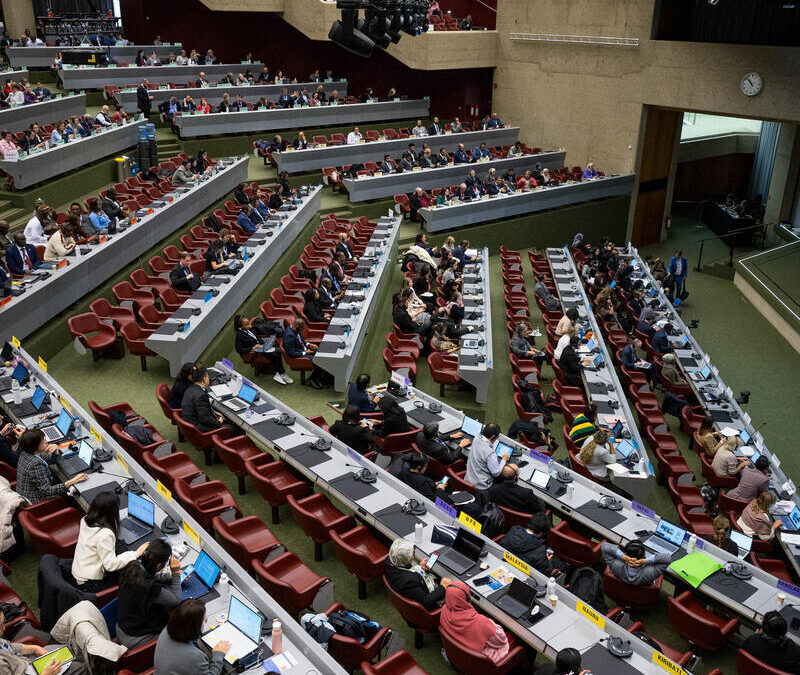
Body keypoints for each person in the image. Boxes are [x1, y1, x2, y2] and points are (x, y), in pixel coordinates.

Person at [72, 491, 146, 591]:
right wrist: (136, 553)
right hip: (90, 583)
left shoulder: (85, 520)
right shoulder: (105, 534)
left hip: (79, 571)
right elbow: (110, 565)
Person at [117, 539, 182, 647]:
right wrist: (175, 573)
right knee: (180, 627)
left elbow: (148, 575)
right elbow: (175, 601)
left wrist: (166, 576)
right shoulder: (150, 587)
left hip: (123, 626)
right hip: (136, 638)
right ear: (159, 566)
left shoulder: (132, 565)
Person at [440, 580, 511, 663]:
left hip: (458, 654)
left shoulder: (444, 609)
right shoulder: (481, 622)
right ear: (467, 599)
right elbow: (501, 641)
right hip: (481, 661)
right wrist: (492, 623)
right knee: (512, 638)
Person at [154, 598, 230, 675]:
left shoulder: (168, 629)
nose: (207, 619)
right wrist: (218, 654)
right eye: (204, 620)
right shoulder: (195, 657)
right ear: (194, 627)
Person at [16, 428, 88, 505]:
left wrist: (55, 449)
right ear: (35, 446)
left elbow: (49, 459)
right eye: (42, 442)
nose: (46, 442)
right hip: (36, 503)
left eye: (44, 439)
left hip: (27, 494)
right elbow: (46, 491)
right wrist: (73, 481)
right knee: (72, 498)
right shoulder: (35, 464)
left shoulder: (26, 452)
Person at [384, 538, 448, 609]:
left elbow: (406, 569)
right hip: (431, 604)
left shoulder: (390, 560)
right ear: (405, 559)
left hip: (415, 585)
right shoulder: (408, 581)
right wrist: (443, 587)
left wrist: (419, 567)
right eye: (412, 554)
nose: (414, 555)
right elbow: (425, 601)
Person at [234, 315, 291, 385]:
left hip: (261, 347)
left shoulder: (249, 329)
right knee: (275, 355)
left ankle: (278, 373)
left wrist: (264, 343)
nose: (249, 325)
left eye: (248, 323)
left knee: (278, 351)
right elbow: (239, 349)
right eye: (246, 324)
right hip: (255, 352)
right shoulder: (239, 335)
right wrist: (252, 348)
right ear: (240, 326)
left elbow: (256, 337)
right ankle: (282, 373)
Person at [602, 540, 670, 586]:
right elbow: (667, 558)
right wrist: (645, 561)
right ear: (644, 556)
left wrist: (623, 557)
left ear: (626, 554)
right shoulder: (651, 572)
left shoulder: (616, 565)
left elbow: (604, 546)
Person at [283, 318, 327, 389]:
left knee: (323, 354)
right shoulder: (289, 336)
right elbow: (291, 353)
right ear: (297, 328)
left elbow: (301, 341)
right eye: (301, 330)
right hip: (298, 355)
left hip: (305, 350)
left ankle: (316, 378)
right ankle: (315, 381)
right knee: (319, 360)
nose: (301, 331)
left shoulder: (295, 329)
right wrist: (305, 352)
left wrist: (309, 344)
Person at [181, 367, 229, 432]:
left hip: (190, 422)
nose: (209, 378)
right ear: (204, 378)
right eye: (208, 376)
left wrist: (214, 412)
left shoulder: (191, 388)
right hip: (198, 429)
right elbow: (204, 418)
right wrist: (218, 422)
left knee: (223, 417)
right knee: (231, 427)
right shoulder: (201, 395)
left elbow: (202, 409)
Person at [464, 422, 507, 495]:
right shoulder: (490, 453)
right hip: (481, 487)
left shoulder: (476, 438)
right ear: (493, 437)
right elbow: (496, 473)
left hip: (468, 480)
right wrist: (504, 460)